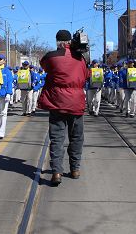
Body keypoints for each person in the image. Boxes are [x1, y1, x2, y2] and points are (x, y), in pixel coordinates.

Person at [38, 30, 90, 186]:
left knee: (57, 138)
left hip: (57, 103)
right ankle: (75, 169)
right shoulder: (81, 58)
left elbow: (44, 66)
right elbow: (86, 75)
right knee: (76, 137)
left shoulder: (51, 56)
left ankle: (56, 172)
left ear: (57, 41)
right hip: (76, 104)